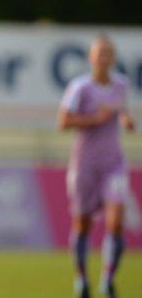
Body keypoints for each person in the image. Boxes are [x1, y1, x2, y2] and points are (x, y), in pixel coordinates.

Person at [58, 35, 136, 298]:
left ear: (112, 58)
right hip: (85, 165)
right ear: (91, 58)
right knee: (82, 224)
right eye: (99, 53)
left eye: (107, 54)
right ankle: (82, 279)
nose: (103, 59)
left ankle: (108, 278)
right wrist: (95, 118)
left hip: (113, 163)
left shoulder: (121, 85)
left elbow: (121, 110)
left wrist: (126, 120)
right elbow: (63, 121)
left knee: (115, 222)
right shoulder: (80, 87)